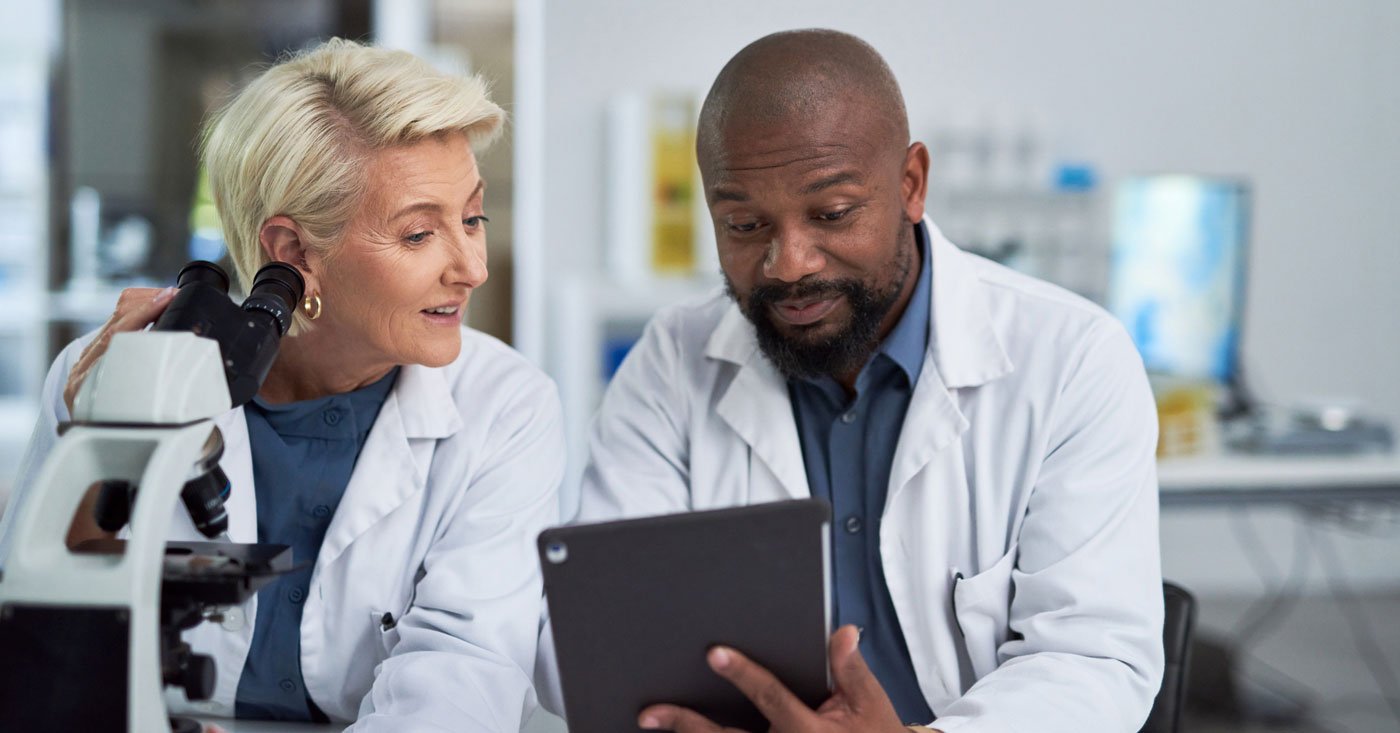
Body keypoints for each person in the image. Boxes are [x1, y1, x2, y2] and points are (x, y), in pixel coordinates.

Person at [560, 29, 1164, 732]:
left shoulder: (1073, 357)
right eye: (745, 223)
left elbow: (1093, 660)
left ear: (911, 184)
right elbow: (597, 638)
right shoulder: (671, 361)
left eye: (832, 214)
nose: (788, 263)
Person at [4, 39, 564, 730]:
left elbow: (462, 683)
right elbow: (43, 648)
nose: (472, 266)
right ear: (294, 253)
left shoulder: (505, 406)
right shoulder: (116, 377)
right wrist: (98, 440)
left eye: (471, 217)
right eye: (420, 233)